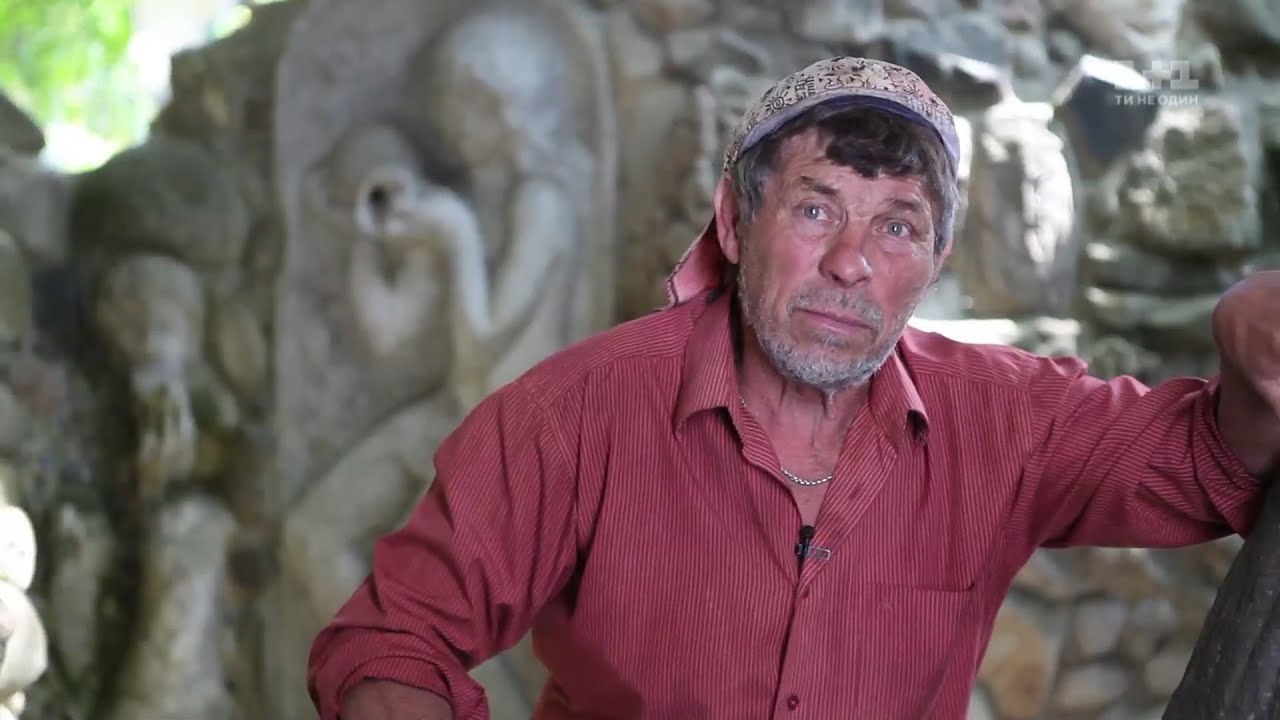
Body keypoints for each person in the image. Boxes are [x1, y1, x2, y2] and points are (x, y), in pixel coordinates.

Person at [306, 56, 1280, 720]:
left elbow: (1207, 464)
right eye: (815, 211)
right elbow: (392, 641)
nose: (852, 263)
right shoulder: (571, 417)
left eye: (896, 227)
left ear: (934, 263)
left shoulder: (1006, 418)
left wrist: (1249, 333)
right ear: (734, 226)